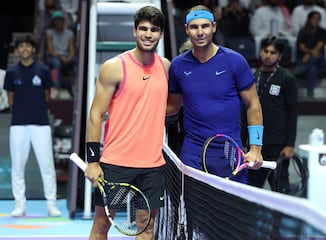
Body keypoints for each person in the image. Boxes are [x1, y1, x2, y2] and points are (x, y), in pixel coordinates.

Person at [84, 6, 169, 240]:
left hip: (152, 166)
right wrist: (92, 161)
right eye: (143, 28)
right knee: (102, 225)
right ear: (134, 31)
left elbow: (169, 106)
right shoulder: (113, 67)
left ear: (160, 33)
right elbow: (95, 115)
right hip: (116, 164)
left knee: (146, 227)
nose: (148, 34)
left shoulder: (166, 67)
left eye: (154, 29)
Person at [167, 5, 264, 184]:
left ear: (214, 27)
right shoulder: (178, 66)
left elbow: (253, 104)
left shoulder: (234, 61)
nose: (200, 32)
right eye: (194, 27)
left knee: (229, 210)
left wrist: (256, 148)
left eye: (204, 26)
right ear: (187, 30)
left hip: (229, 151)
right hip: (192, 152)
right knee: (193, 210)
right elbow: (172, 107)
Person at [3, 34, 61, 217]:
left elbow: (47, 95)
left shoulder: (43, 70)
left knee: (47, 165)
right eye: (21, 47)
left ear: (33, 49)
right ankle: (19, 205)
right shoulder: (11, 72)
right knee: (18, 167)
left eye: (28, 46)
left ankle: (51, 204)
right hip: (18, 125)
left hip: (41, 124)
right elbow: (10, 99)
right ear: (17, 50)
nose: (25, 49)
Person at [242, 36, 298, 192]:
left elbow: (292, 113)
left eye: (273, 52)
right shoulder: (251, 77)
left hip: (278, 144)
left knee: (280, 187)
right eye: (265, 51)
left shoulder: (287, 79)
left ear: (279, 56)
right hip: (255, 142)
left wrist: (289, 144)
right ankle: (250, 216)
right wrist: (242, 140)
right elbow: (243, 110)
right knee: (252, 187)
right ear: (260, 52)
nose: (268, 55)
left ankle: (279, 217)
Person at [294, 10, 326, 98]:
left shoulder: (322, 31)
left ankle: (300, 70)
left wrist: (308, 54)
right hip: (307, 61)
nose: (316, 20)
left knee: (315, 57)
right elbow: (301, 46)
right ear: (309, 19)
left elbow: (319, 47)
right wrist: (309, 53)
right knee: (312, 69)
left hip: (320, 60)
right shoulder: (303, 31)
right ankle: (310, 93)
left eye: (318, 19)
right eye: (314, 18)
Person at [45, 10, 75, 92]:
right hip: (54, 56)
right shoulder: (49, 33)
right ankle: (55, 88)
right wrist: (61, 57)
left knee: (78, 61)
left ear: (63, 21)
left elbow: (72, 50)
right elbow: (51, 51)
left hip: (66, 56)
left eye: (60, 20)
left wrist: (69, 58)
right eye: (56, 20)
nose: (58, 22)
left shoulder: (70, 34)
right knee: (56, 63)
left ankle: (76, 87)